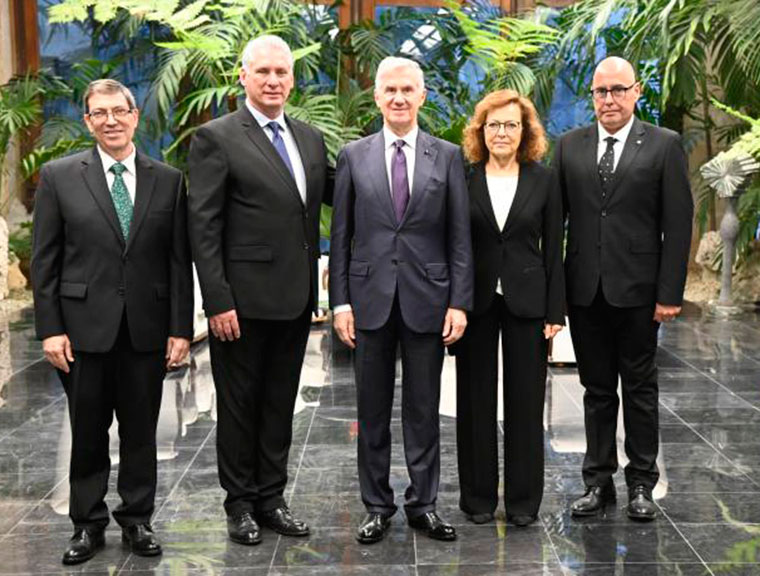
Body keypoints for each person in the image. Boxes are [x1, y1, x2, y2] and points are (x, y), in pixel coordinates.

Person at [31, 79, 193, 564]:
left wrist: (180, 328)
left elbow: (177, 261)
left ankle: (138, 520)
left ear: (134, 115)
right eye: (98, 113)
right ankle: (86, 524)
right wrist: (50, 329)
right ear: (87, 121)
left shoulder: (168, 179)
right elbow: (45, 261)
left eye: (118, 111)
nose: (110, 121)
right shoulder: (60, 176)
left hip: (147, 327)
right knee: (88, 431)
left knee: (142, 431)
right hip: (82, 330)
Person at [187, 35, 333, 545]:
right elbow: (202, 226)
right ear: (242, 77)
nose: (273, 81)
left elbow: (339, 195)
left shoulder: (310, 139)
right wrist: (217, 299)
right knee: (239, 406)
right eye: (264, 72)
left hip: (295, 300)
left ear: (293, 79)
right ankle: (240, 504)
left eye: (282, 73)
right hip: (241, 304)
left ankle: (272, 498)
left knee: (279, 404)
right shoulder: (216, 138)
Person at [329, 56, 473, 544]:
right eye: (390, 89)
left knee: (423, 408)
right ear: (377, 96)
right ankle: (376, 505)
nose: (398, 98)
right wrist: (340, 303)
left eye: (407, 89)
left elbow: (459, 238)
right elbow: (341, 233)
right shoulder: (353, 155)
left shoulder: (447, 156)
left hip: (428, 300)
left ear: (422, 96)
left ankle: (424, 503)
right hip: (368, 301)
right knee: (370, 410)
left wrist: (459, 302)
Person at [553, 57, 693, 521]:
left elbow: (678, 222)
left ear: (636, 92)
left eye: (617, 90)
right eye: (600, 92)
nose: (609, 100)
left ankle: (641, 484)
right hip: (585, 291)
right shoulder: (570, 147)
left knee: (638, 388)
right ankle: (597, 482)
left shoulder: (663, 145)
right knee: (595, 390)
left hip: (639, 292)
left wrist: (670, 293)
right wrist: (556, 296)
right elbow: (556, 226)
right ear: (591, 97)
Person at [454, 90, 565, 528]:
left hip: (529, 303)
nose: (502, 132)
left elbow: (555, 247)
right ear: (481, 130)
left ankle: (523, 503)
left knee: (525, 401)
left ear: (525, 132)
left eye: (511, 125)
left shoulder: (545, 179)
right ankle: (478, 499)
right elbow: (454, 246)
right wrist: (453, 303)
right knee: (474, 400)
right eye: (494, 124)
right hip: (475, 303)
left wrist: (555, 311)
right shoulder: (464, 177)